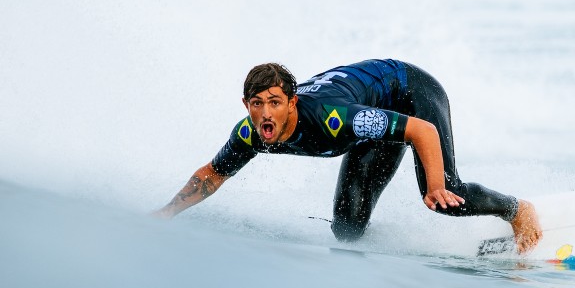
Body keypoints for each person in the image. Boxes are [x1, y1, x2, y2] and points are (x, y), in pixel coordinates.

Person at [154, 59, 542, 253]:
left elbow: (422, 130)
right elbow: (211, 175)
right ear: (246, 104)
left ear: (292, 102)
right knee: (347, 229)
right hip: (373, 117)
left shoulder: (335, 121)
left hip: (410, 92)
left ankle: (517, 210)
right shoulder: (249, 134)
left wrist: (436, 185)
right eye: (257, 104)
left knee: (443, 195)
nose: (266, 114)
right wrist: (166, 213)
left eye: (275, 102)